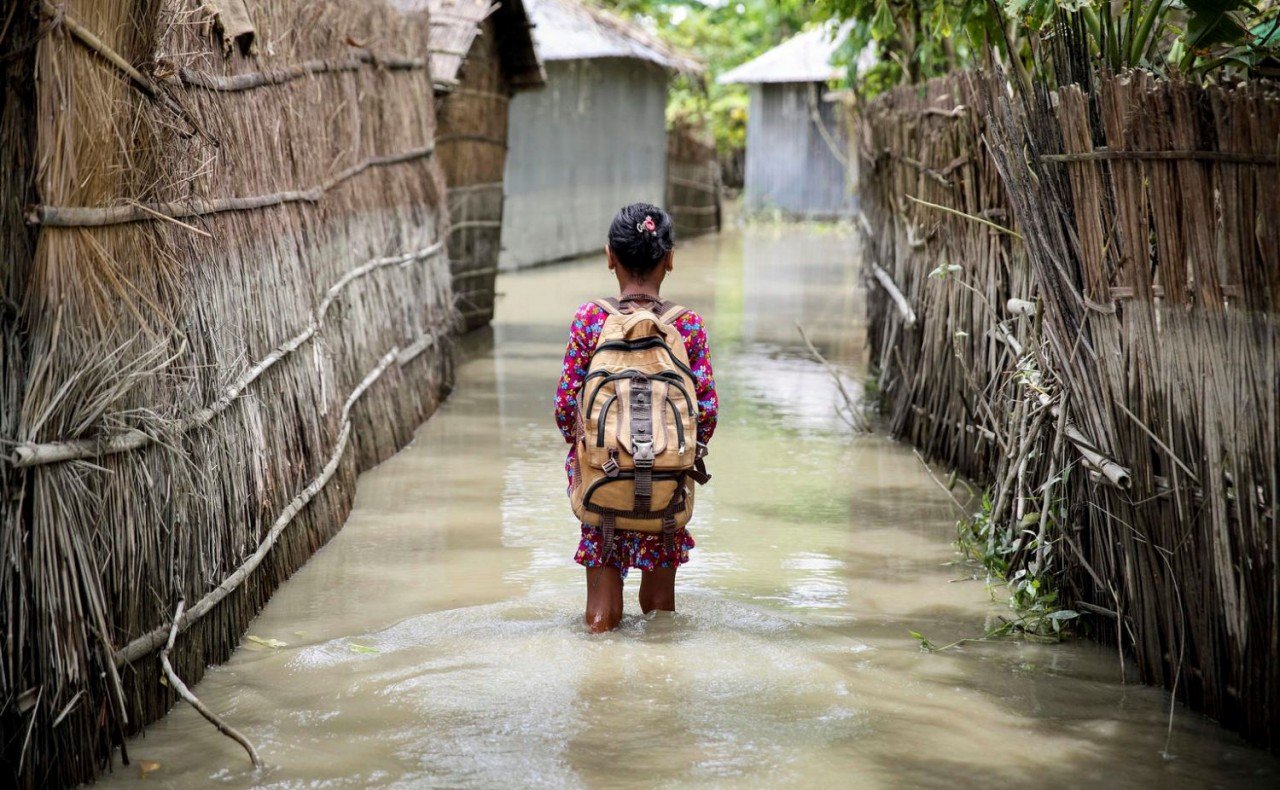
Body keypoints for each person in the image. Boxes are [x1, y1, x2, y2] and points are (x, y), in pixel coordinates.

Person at [554, 203, 718, 633]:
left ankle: (600, 681)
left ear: (610, 256)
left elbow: (564, 408)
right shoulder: (688, 326)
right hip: (666, 486)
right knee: (660, 613)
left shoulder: (591, 320)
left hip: (602, 480)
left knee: (601, 615)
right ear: (670, 258)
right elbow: (708, 415)